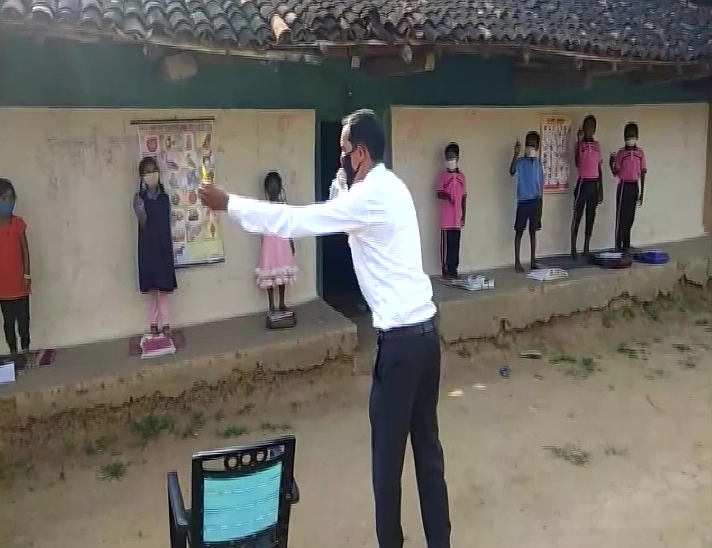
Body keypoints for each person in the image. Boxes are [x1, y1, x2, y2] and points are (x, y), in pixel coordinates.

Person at [200, 109, 451, 548]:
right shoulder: (392, 187)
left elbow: (298, 221)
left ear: (361, 153)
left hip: (401, 348)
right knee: (428, 454)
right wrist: (341, 193)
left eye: (342, 150)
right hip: (427, 338)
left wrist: (229, 204)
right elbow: (342, 212)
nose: (338, 158)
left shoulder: (369, 197)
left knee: (386, 466)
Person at [133, 156, 177, 336]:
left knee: (163, 289)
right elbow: (143, 223)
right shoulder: (139, 198)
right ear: (142, 176)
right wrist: (141, 208)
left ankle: (166, 323)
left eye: (154, 170)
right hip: (148, 249)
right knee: (152, 289)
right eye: (147, 172)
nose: (151, 175)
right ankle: (153, 324)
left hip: (163, 248)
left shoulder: (165, 198)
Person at [0, 178, 31, 370]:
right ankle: (13, 352)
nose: (8, 202)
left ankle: (25, 350)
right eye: (3, 198)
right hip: (3, 287)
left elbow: (25, 251)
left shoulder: (18, 224)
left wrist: (26, 275)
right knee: (8, 322)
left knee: (24, 320)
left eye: (11, 198)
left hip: (20, 284)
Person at [257, 171, 297, 313]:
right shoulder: (262, 208)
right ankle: (271, 305)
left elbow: (289, 226)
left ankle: (281, 302)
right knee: (270, 273)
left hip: (282, 243)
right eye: (270, 186)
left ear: (280, 188)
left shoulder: (284, 207)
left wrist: (291, 243)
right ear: (266, 189)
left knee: (282, 273)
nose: (273, 189)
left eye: (275, 186)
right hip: (268, 244)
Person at [509, 132, 544, 273]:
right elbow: (511, 171)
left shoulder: (538, 164)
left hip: (536, 201)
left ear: (538, 147)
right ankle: (517, 261)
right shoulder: (520, 162)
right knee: (519, 231)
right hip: (523, 201)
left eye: (533, 145)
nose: (530, 147)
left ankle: (533, 260)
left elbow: (541, 185)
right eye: (528, 144)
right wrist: (515, 154)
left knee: (533, 232)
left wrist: (541, 203)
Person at [610, 122, 646, 254]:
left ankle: (626, 244)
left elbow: (643, 172)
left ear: (637, 136)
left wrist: (642, 192)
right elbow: (616, 172)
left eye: (632, 135)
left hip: (634, 186)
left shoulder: (640, 153)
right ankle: (618, 246)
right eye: (627, 135)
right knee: (621, 217)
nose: (630, 137)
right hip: (624, 185)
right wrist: (610, 163)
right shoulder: (621, 153)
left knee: (630, 217)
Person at [571, 115, 603, 259]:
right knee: (578, 215)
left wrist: (600, 188)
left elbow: (599, 167)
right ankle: (573, 247)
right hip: (583, 182)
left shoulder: (597, 145)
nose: (590, 129)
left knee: (591, 216)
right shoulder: (580, 145)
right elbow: (577, 162)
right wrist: (578, 140)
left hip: (594, 183)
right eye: (587, 126)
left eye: (592, 126)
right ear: (583, 128)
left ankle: (586, 247)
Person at [436, 142, 467, 279]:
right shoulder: (442, 176)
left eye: (453, 157)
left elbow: (464, 196)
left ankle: (454, 270)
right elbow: (438, 193)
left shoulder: (461, 177)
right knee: (446, 246)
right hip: (446, 219)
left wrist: (463, 215)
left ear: (458, 157)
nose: (450, 160)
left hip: (457, 218)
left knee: (456, 245)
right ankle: (445, 270)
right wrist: (448, 196)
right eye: (448, 157)